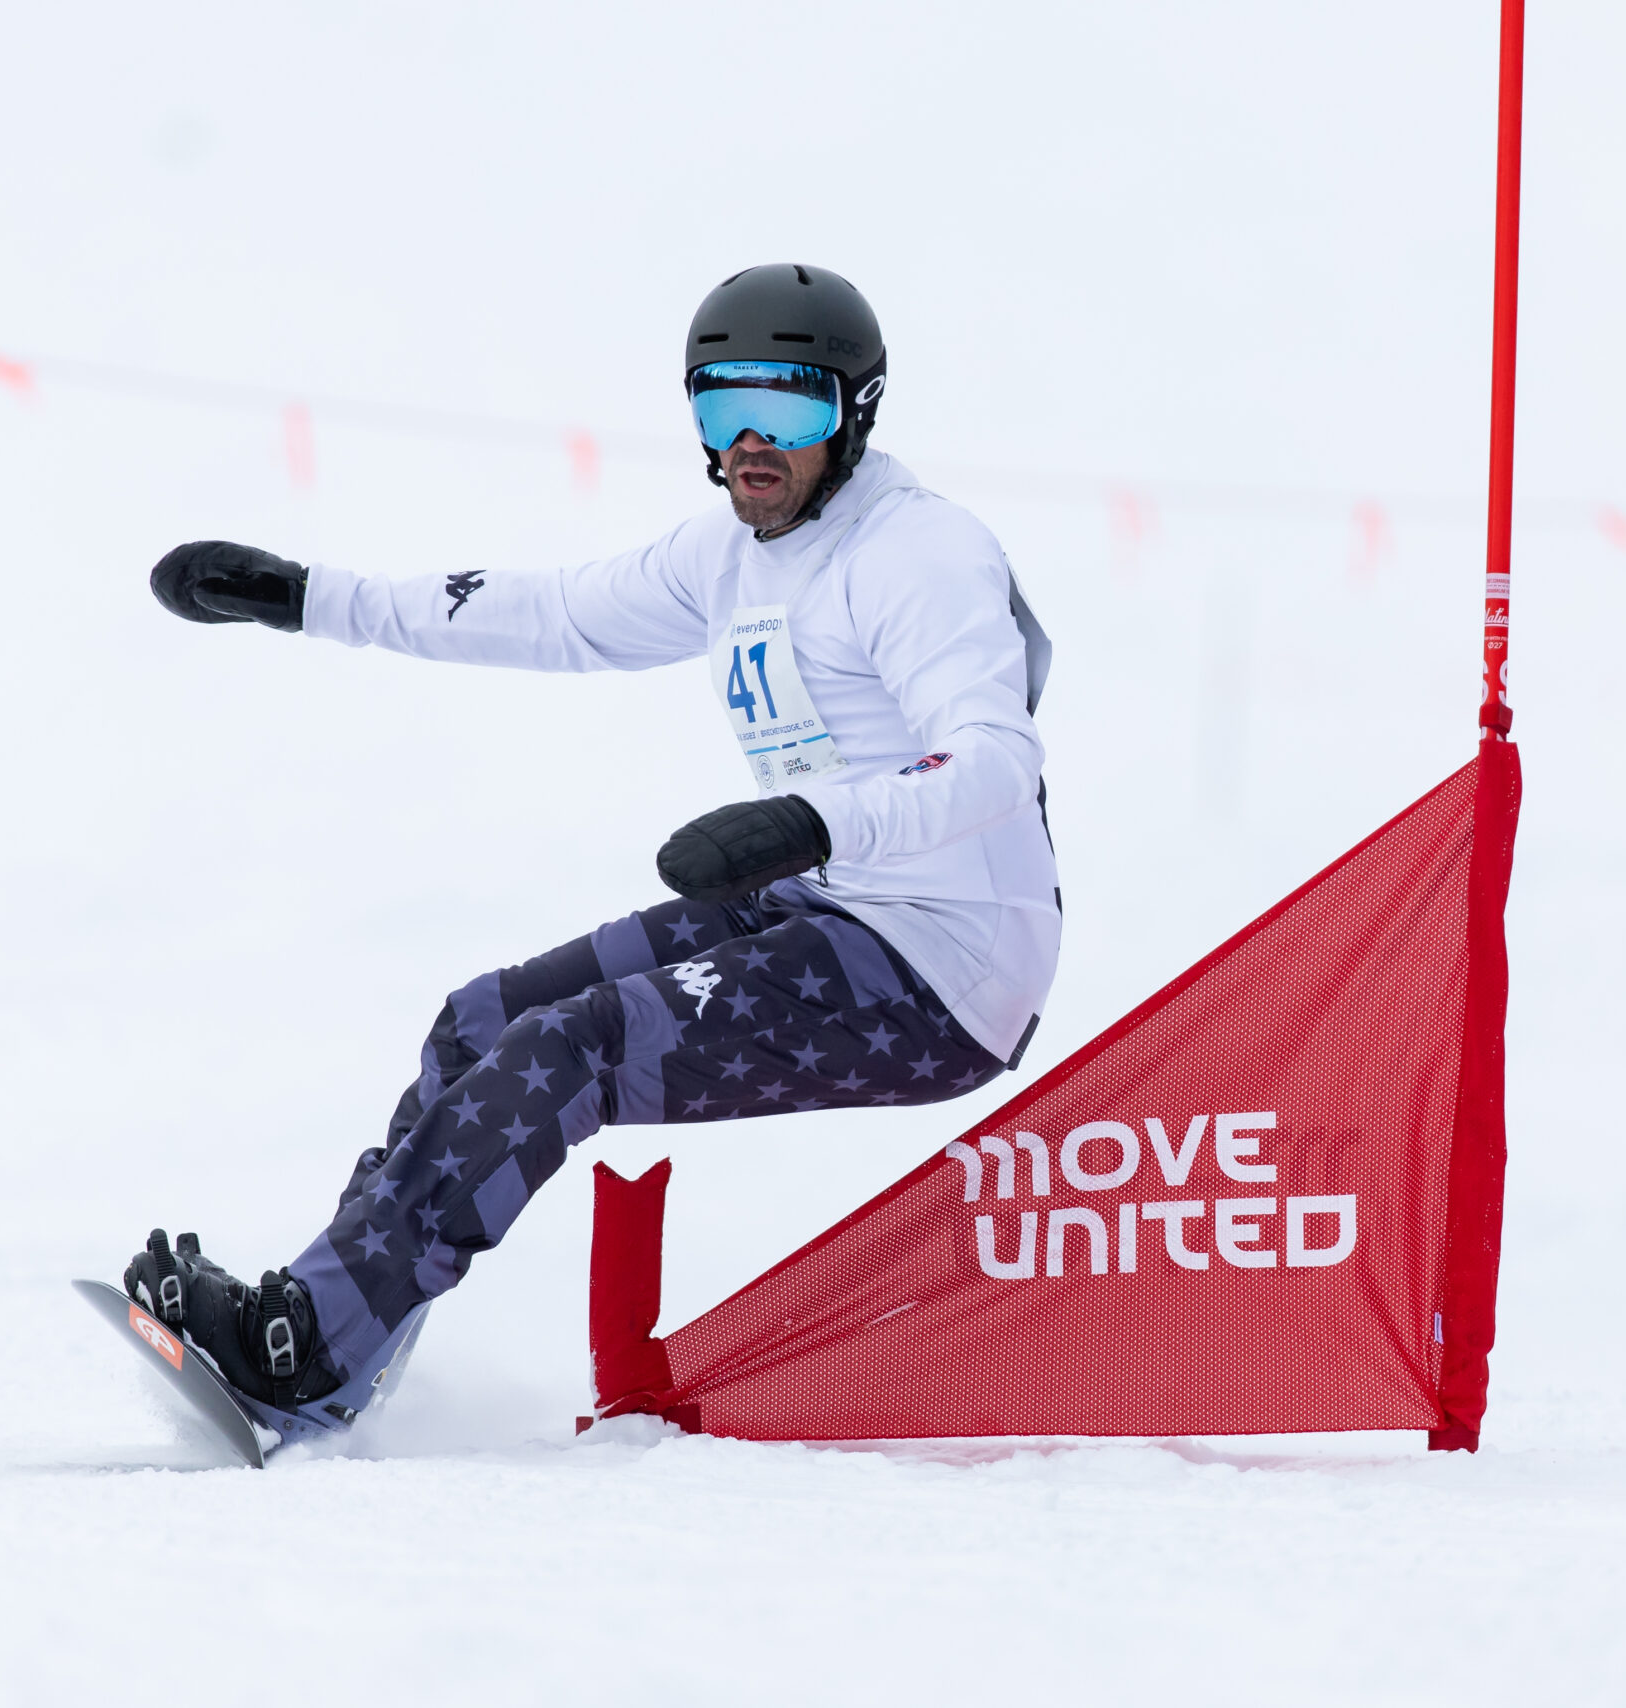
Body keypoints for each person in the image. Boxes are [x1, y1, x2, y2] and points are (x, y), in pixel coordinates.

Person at [120, 264, 1059, 1438]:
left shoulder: (917, 556)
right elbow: (552, 613)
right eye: (723, 406)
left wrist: (818, 822)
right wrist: (310, 597)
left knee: (568, 1049)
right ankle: (336, 1346)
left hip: (941, 965)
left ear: (855, 413)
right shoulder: (731, 555)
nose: (752, 442)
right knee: (482, 1020)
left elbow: (993, 759)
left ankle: (304, 1345)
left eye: (790, 408)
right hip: (825, 903)